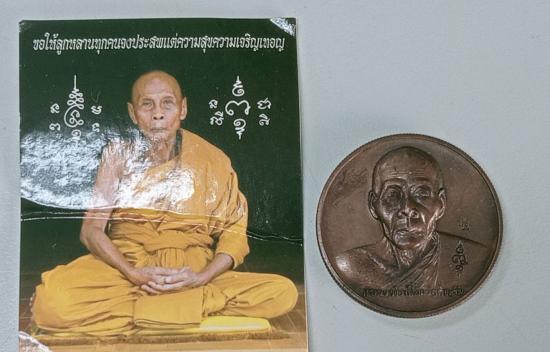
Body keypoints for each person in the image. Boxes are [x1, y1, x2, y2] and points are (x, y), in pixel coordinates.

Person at [32, 70, 298, 336]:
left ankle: (156, 308)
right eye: (147, 104)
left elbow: (234, 236)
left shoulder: (212, 159)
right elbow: (91, 231)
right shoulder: (117, 155)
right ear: (133, 113)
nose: (157, 114)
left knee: (282, 292)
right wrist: (133, 273)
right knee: (51, 303)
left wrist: (200, 278)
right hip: (130, 269)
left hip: (191, 271)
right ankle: (192, 307)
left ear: (183, 109)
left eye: (167, 103)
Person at [335, 146, 487, 294]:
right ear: (374, 206)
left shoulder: (474, 259)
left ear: (441, 204)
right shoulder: (351, 266)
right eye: (393, 195)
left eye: (421, 194)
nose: (407, 208)